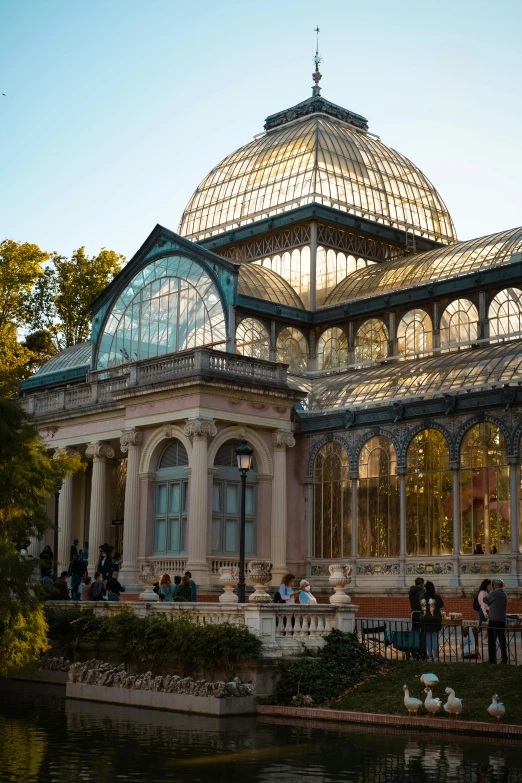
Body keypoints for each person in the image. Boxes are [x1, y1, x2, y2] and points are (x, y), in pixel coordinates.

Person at [483, 578, 508, 664]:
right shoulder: (504, 594)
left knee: (492, 640)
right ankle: (504, 658)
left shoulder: (494, 593)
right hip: (502, 620)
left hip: (493, 620)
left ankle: (492, 659)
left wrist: (490, 591)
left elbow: (485, 600)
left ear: (494, 585)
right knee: (502, 640)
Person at [420, 581, 444, 661]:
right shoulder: (437, 597)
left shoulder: (422, 597)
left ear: (425, 588)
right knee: (434, 638)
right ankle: (436, 656)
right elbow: (441, 604)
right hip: (435, 620)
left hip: (425, 619)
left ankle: (430, 656)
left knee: (428, 638)